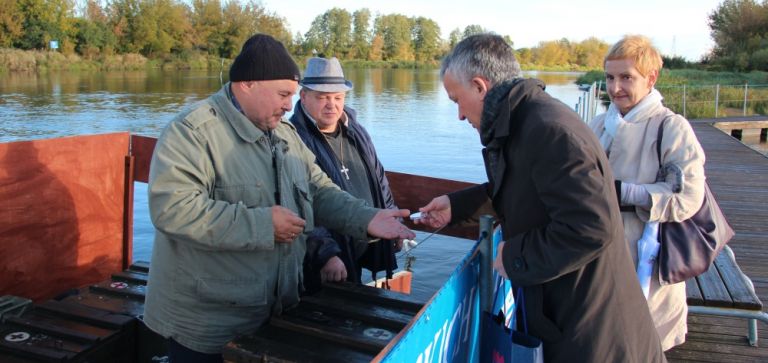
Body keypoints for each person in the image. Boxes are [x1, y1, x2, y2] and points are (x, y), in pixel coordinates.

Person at [143, 34, 415, 362]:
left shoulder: (284, 134)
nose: (290, 105)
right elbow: (173, 209)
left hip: (274, 312)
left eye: (293, 95)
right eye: (284, 94)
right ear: (246, 85)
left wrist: (367, 218)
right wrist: (262, 225)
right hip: (206, 325)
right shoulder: (192, 133)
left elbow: (319, 189)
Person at [415, 34, 666, 362]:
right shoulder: (525, 121)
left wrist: (513, 257)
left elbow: (591, 228)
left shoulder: (549, 131)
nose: (460, 115)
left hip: (597, 335)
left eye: (456, 100)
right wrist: (456, 206)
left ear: (479, 86)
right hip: (569, 316)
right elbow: (524, 190)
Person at [588, 35, 706, 351]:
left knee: (643, 341)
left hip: (646, 257)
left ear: (651, 78)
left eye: (627, 77)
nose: (615, 88)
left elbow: (689, 197)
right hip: (599, 249)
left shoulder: (672, 127)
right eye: (610, 77)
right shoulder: (599, 124)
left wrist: (626, 192)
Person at [289, 57, 399, 291]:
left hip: (363, 243)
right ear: (304, 97)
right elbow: (297, 203)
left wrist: (393, 221)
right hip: (327, 261)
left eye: (338, 97)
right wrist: (325, 253)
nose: (332, 105)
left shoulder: (356, 130)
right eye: (322, 97)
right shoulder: (293, 138)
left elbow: (379, 180)